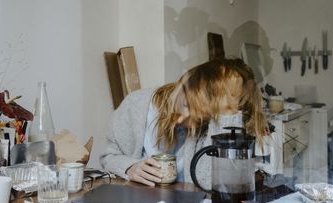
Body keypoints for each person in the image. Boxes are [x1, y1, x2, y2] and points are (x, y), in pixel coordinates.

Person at [100, 58, 268, 188]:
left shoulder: (211, 127)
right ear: (182, 84)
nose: (181, 118)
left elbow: (210, 183)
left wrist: (226, 116)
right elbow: (108, 157)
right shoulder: (136, 104)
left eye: (199, 116)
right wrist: (130, 167)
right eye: (186, 104)